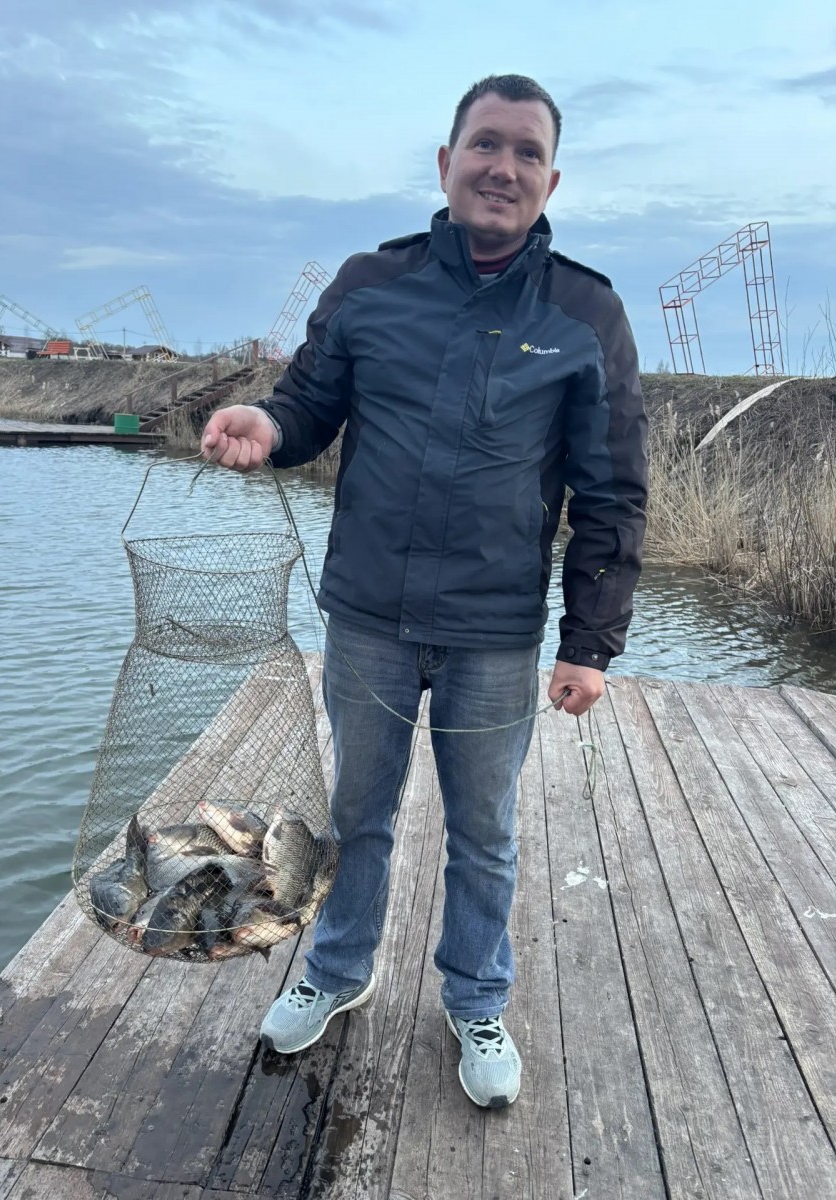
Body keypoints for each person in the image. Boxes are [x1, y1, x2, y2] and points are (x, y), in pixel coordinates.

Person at [201, 73, 647, 1109]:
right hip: (368, 619)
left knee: (484, 833)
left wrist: (591, 641)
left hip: (496, 632)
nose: (503, 167)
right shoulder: (371, 283)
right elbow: (306, 405)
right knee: (356, 814)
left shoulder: (587, 312)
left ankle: (477, 997)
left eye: (527, 152)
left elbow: (612, 487)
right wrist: (267, 426)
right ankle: (336, 969)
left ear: (551, 181)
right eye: (485, 145)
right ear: (446, 163)